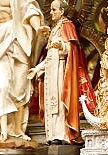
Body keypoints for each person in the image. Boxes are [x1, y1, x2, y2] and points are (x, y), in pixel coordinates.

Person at [0, 0, 44, 146]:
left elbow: (30, 10)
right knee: (2, 86)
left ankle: (16, 130)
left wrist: (38, 28)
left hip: (16, 38)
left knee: (19, 88)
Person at [30, 0, 94, 144]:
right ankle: (52, 135)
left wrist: (63, 46)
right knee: (51, 104)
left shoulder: (67, 25)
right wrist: (37, 69)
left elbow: (73, 49)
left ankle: (61, 135)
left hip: (61, 71)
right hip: (50, 71)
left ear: (62, 11)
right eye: (51, 9)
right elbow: (49, 55)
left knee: (59, 104)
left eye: (54, 10)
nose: (51, 12)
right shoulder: (54, 29)